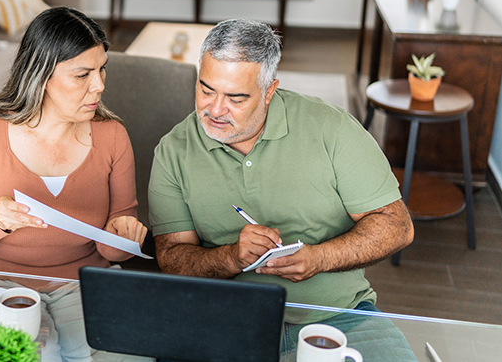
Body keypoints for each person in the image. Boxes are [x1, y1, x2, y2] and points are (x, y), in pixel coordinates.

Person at [148, 19, 417, 360]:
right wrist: (231, 257)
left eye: (236, 98)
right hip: (227, 319)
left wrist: (320, 258)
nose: (215, 110)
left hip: (337, 316)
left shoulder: (331, 128)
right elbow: (171, 256)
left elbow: (396, 225)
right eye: (206, 89)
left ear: (269, 91)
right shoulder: (174, 150)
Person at [0, 6, 147, 280]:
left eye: (102, 69)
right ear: (41, 76)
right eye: (82, 75)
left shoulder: (113, 136)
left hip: (79, 283)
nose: (99, 85)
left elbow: (113, 250)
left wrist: (124, 239)